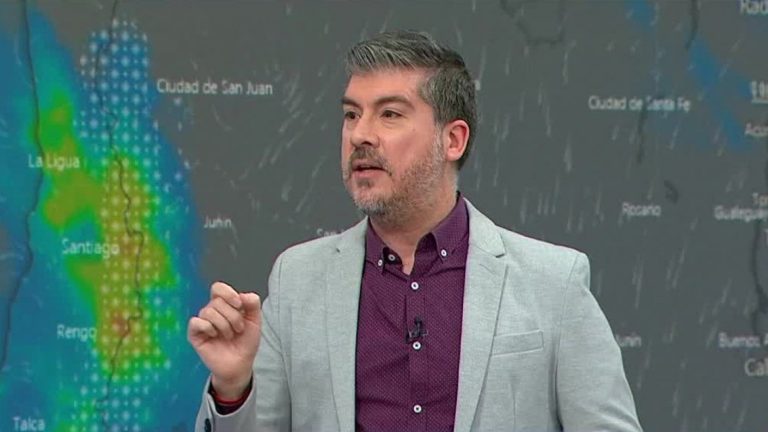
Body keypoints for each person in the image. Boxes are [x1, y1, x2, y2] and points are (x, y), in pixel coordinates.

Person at [188, 30, 643, 432]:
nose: (360, 135)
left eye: (389, 114)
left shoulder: (553, 283)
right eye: (351, 115)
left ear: (453, 140)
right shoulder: (297, 278)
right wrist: (233, 389)